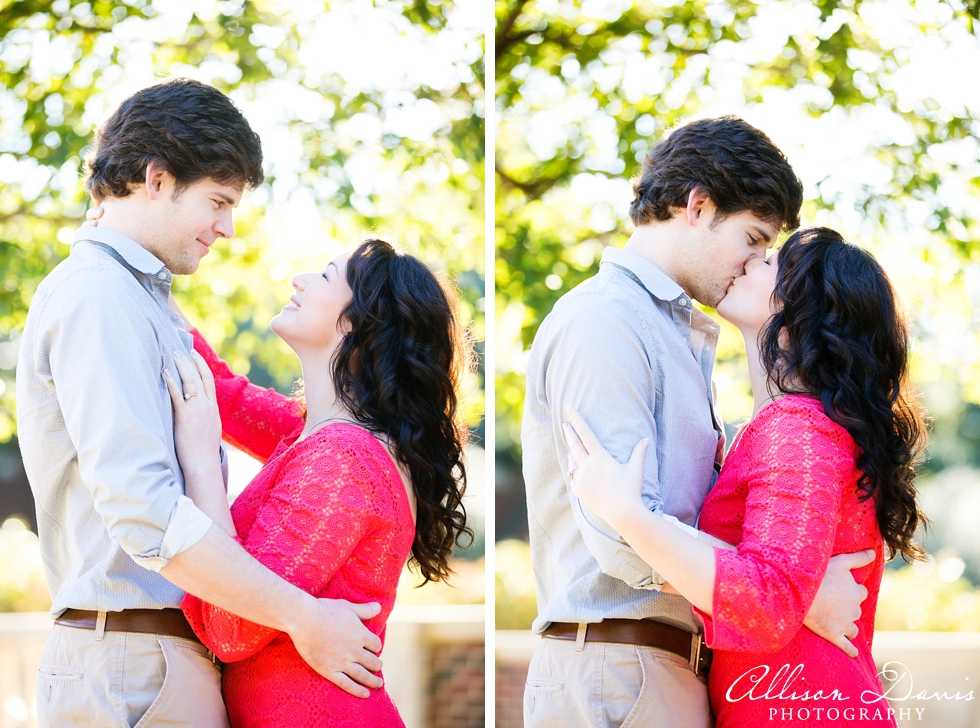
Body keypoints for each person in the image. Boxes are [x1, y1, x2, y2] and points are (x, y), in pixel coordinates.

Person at [17, 77, 385, 728]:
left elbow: (249, 407)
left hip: (150, 660)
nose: (228, 228)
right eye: (218, 200)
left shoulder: (145, 302)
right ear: (155, 180)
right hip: (132, 666)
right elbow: (147, 511)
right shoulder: (101, 297)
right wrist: (303, 616)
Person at [521, 116, 874, 728]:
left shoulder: (679, 334)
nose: (755, 263)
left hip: (663, 671)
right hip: (618, 665)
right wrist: (790, 592)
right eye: (754, 239)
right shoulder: (607, 321)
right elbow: (621, 535)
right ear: (698, 205)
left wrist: (777, 585)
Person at [565, 228, 927, 727]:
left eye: (770, 261)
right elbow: (780, 583)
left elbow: (767, 598)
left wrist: (628, 514)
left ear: (801, 312)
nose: (750, 261)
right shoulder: (789, 427)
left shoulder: (798, 429)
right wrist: (808, 595)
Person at [159, 239, 470, 727]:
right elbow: (225, 396)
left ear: (357, 323)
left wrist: (201, 463)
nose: (299, 281)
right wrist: (152, 274)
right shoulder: (320, 436)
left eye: (324, 276)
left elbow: (231, 628)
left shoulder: (345, 460)